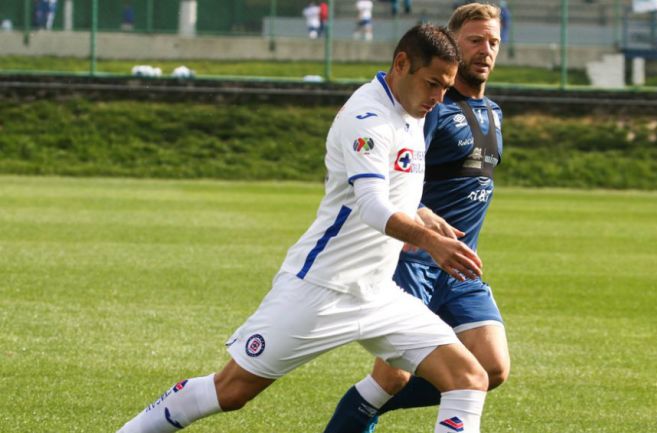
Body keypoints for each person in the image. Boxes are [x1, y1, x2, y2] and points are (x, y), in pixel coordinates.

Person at [115, 23, 492, 433]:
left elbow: (389, 186)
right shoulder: (368, 117)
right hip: (321, 288)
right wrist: (430, 241)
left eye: (446, 87)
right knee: (232, 390)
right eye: (433, 84)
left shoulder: (413, 108)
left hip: (378, 292)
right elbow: (370, 206)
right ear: (401, 64)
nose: (439, 98)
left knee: (468, 379)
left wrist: (419, 213)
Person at [323, 4, 507, 433]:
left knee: (493, 369)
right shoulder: (430, 110)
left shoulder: (494, 112)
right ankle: (361, 411)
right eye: (474, 40)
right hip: (416, 261)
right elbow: (394, 177)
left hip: (462, 268)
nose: (485, 50)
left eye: (493, 42)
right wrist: (421, 221)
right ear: (453, 45)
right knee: (392, 378)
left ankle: (371, 408)